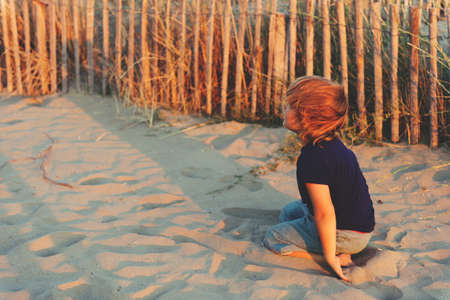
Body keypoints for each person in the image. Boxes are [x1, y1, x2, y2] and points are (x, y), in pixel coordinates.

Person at [263, 76, 375, 281]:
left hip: (344, 233)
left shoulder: (314, 158)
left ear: (308, 117)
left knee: (273, 237)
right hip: (361, 225)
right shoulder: (331, 144)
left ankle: (328, 257)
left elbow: (325, 213)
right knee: (289, 212)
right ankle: (335, 248)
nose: (284, 110)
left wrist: (329, 255)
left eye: (289, 107)